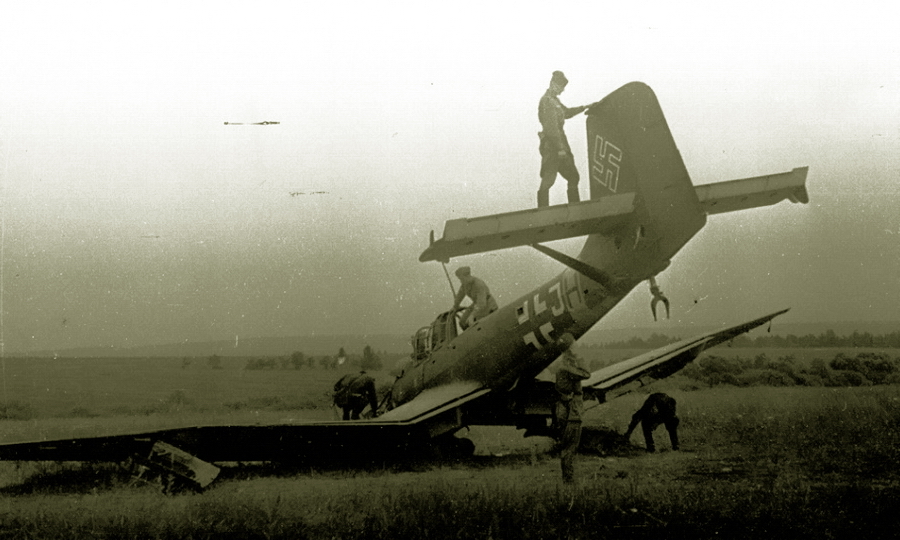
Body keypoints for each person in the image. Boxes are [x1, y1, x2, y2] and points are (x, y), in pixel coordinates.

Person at [537, 70, 592, 208]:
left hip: (559, 145)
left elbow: (566, 112)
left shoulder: (554, 101)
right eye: (561, 87)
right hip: (553, 146)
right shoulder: (547, 101)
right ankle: (543, 213)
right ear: (553, 84)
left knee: (572, 177)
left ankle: (574, 210)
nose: (562, 91)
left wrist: (584, 107)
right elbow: (551, 128)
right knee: (549, 180)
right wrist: (560, 149)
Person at [552, 333, 591, 484]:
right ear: (569, 348)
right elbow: (586, 373)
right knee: (570, 446)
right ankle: (568, 481)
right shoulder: (567, 366)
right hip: (572, 409)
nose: (576, 346)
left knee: (568, 445)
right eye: (573, 345)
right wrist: (578, 356)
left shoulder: (565, 363)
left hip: (567, 407)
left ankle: (568, 479)